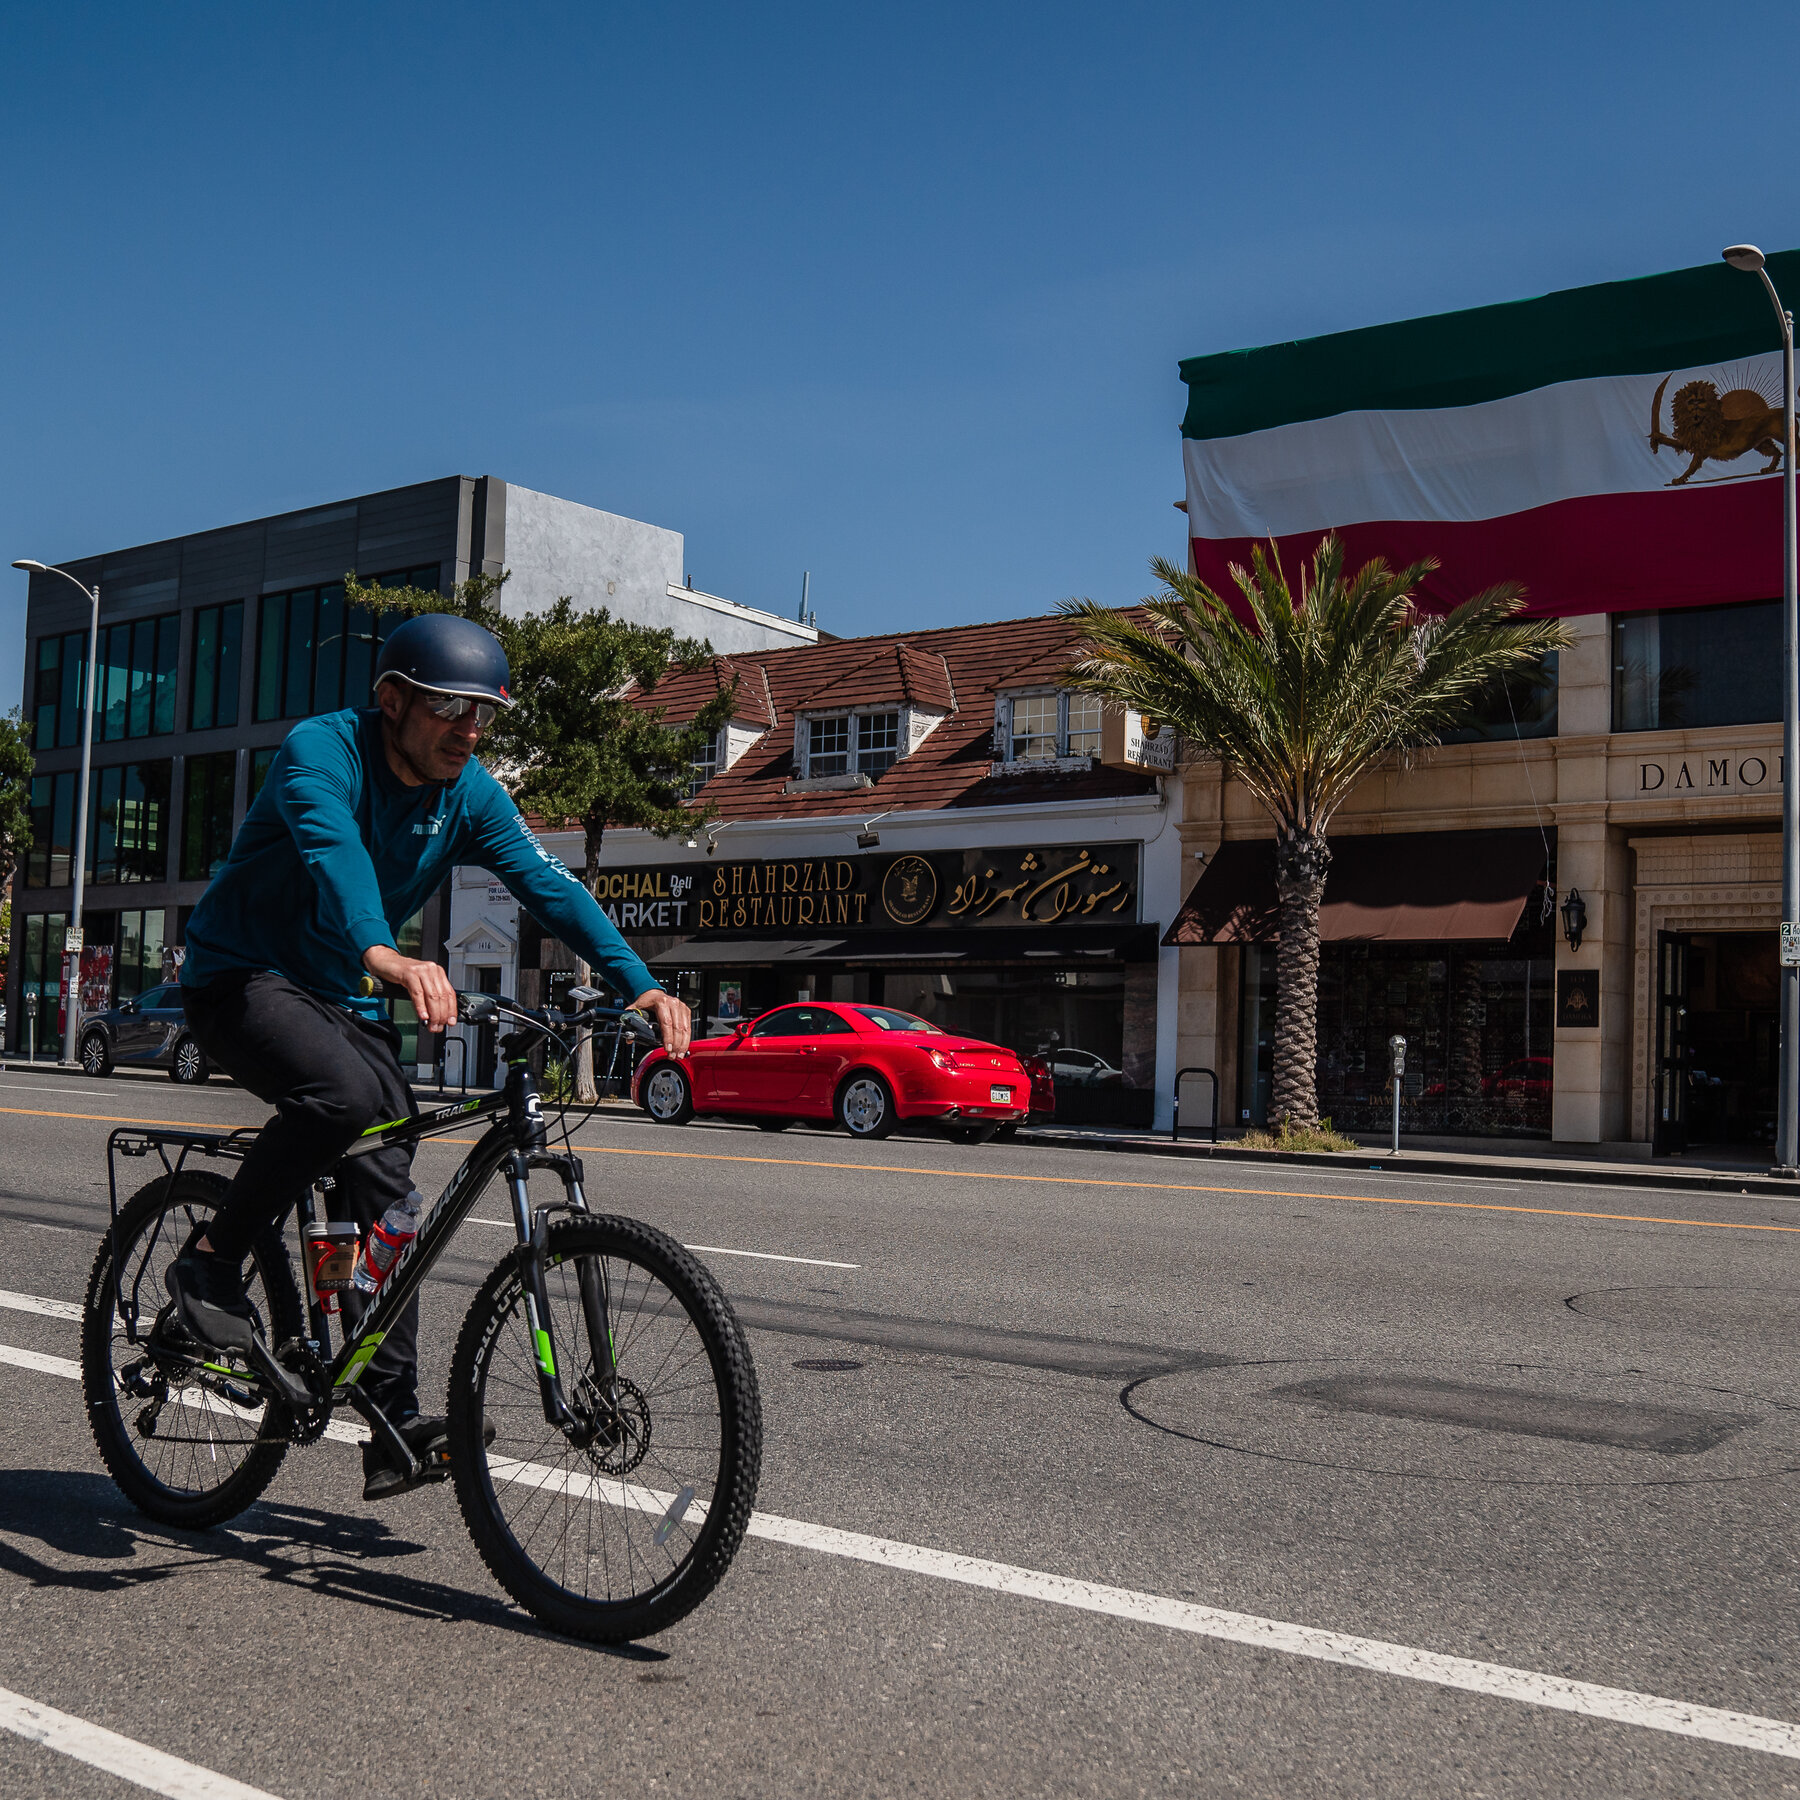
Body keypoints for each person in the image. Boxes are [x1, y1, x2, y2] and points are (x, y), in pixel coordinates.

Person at [165, 612, 691, 1500]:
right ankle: (212, 1259)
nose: (470, 731)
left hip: (336, 992)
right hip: (239, 977)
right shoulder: (321, 752)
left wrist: (637, 981)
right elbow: (335, 856)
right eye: (450, 708)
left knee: (390, 1177)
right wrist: (383, 952)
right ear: (393, 700)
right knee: (337, 1098)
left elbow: (548, 885)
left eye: (485, 714)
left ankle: (389, 1417)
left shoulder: (471, 794)